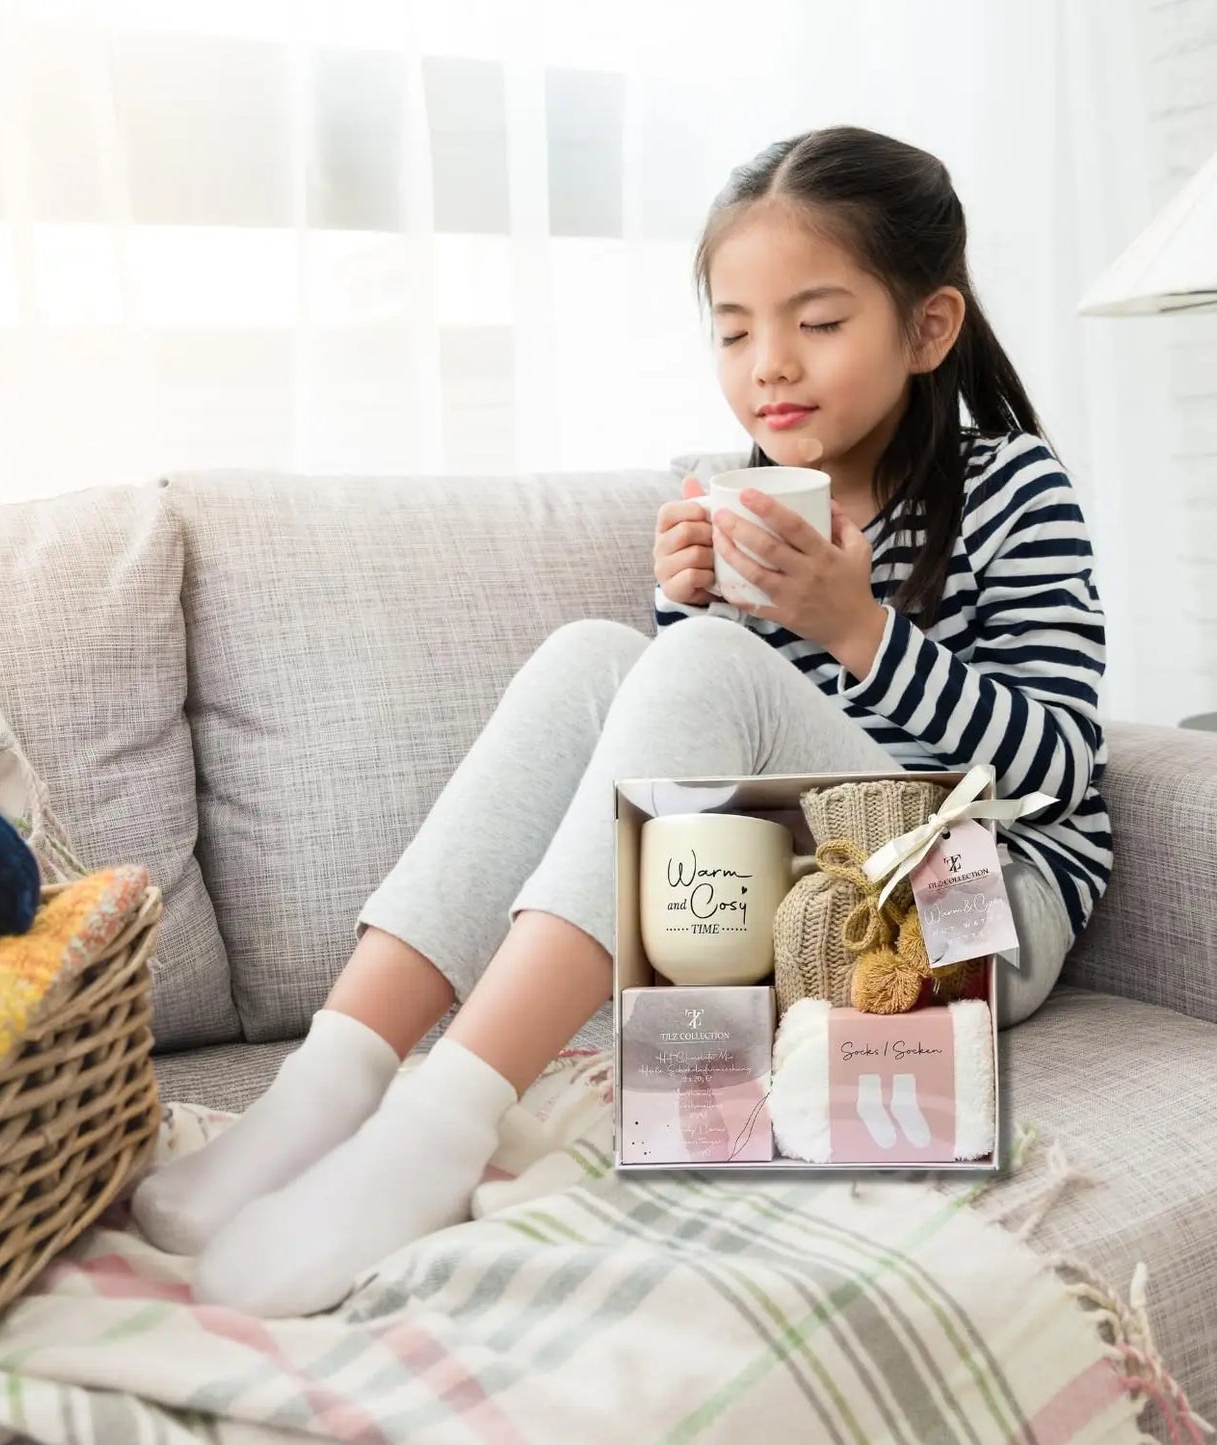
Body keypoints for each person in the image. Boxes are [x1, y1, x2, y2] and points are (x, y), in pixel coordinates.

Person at [132, 124, 1112, 1318]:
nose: (769, 366)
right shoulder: (735, 487)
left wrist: (855, 628)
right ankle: (330, 1079)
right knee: (588, 656)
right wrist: (683, 610)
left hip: (976, 915)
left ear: (926, 328)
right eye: (735, 328)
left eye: (816, 321)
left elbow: (1055, 765)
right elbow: (685, 807)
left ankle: (440, 1128)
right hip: (806, 904)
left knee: (693, 663)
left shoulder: (1013, 488)